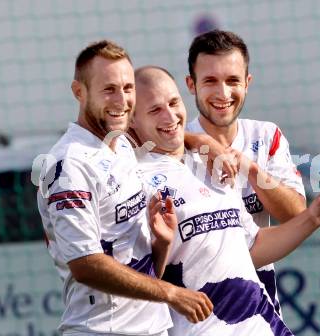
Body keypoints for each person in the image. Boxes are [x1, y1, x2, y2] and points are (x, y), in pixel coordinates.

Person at [131, 66, 320, 336]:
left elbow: (252, 247)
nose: (170, 115)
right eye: (154, 110)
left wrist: (313, 218)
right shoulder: (134, 179)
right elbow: (134, 281)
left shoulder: (210, 163)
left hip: (266, 327)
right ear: (132, 121)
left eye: (174, 102)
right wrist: (161, 245)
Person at [36, 40, 212, 335]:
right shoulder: (69, 163)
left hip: (151, 327)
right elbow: (85, 264)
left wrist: (160, 243)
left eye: (128, 88)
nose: (122, 100)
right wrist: (170, 293)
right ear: (79, 92)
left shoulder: (122, 146)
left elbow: (138, 264)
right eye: (108, 89)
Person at [184, 29, 307, 315]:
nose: (223, 93)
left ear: (247, 83)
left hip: (259, 301)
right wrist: (197, 141)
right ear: (191, 84)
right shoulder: (175, 144)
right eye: (210, 81)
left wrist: (250, 169)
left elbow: (296, 214)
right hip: (197, 305)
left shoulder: (265, 136)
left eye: (232, 81)